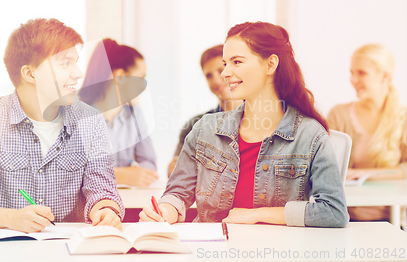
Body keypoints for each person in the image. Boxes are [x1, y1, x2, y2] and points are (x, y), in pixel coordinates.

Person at [139, 21, 348, 227]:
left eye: (236, 62)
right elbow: (177, 194)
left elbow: (333, 211)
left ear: (270, 64)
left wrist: (257, 215)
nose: (225, 73)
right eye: (225, 63)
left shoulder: (310, 135)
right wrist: (164, 211)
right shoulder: (205, 129)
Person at [0, 19, 124, 233]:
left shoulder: (90, 120)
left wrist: (106, 209)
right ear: (30, 74)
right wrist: (10, 218)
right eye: (65, 63)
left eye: (76, 62)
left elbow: (103, 189)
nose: (78, 73)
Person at [327, 44, 407, 221]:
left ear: (385, 76)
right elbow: (325, 166)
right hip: (344, 219)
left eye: (361, 73)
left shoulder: (403, 118)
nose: (353, 79)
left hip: (392, 220)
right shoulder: (339, 115)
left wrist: (366, 174)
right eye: (352, 73)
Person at [79, 39, 158, 187]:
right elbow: (66, 172)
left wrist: (138, 174)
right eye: (140, 78)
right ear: (120, 76)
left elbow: (149, 162)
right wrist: (120, 175)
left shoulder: (135, 115)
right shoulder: (76, 115)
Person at [168, 45, 244, 176]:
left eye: (220, 70)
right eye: (209, 75)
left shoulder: (261, 119)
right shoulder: (194, 125)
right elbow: (174, 173)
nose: (215, 80)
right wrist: (175, 168)